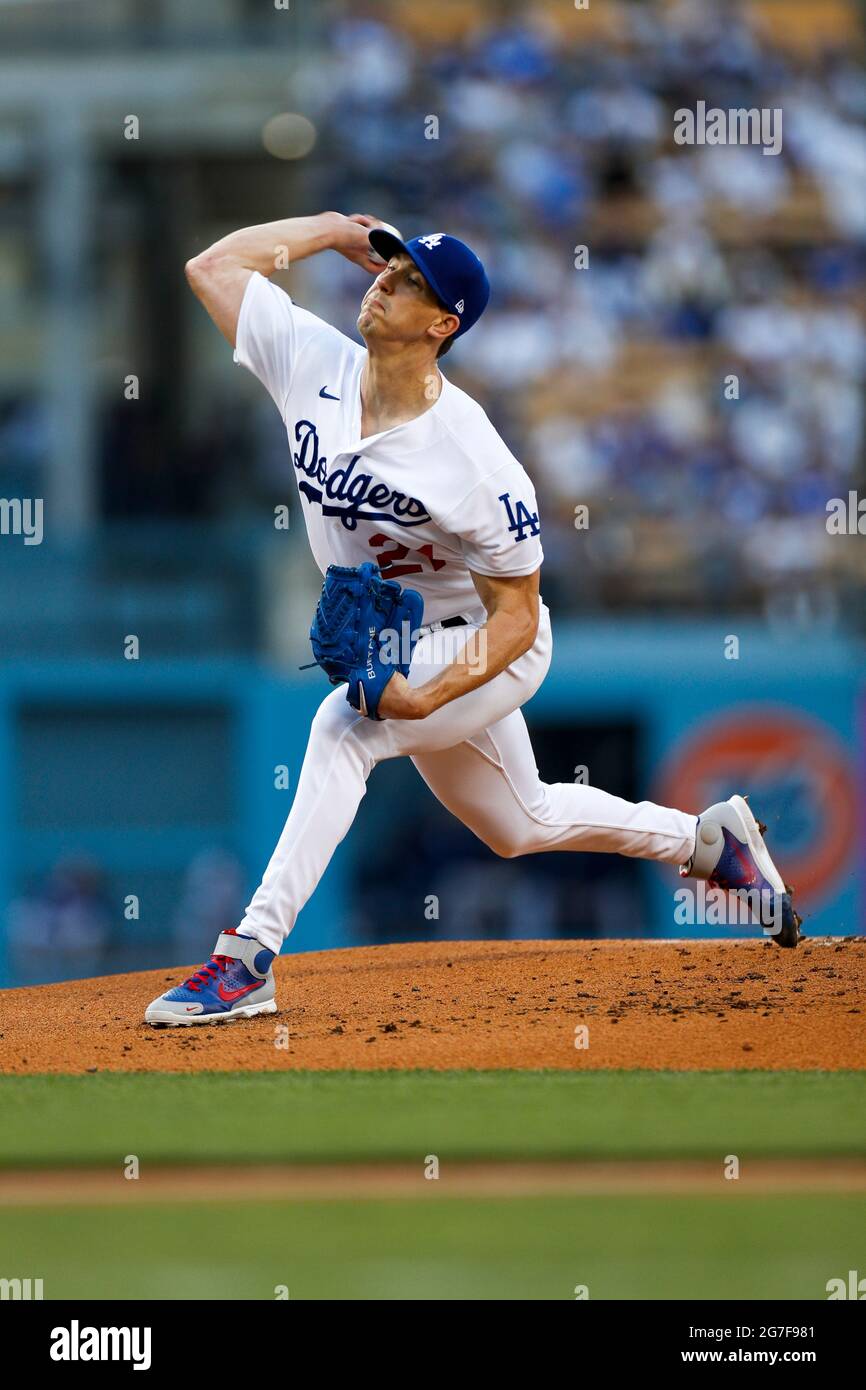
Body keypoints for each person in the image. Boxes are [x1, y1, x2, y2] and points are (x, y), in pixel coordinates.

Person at [145, 211, 799, 1026]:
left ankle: (248, 957)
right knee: (520, 823)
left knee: (344, 728)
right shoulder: (312, 360)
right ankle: (708, 843)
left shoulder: (476, 461)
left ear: (443, 324)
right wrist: (323, 230)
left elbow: (518, 618)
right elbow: (211, 264)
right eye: (389, 269)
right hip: (401, 635)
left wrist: (427, 696)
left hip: (484, 645)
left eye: (411, 281)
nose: (385, 281)